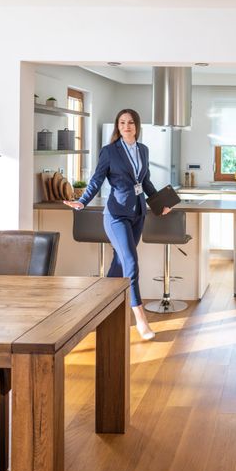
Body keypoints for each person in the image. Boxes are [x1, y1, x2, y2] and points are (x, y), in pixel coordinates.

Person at [64, 109, 171, 341]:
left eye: (131, 122)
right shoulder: (110, 151)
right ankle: (141, 320)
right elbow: (96, 179)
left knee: (119, 265)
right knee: (131, 263)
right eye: (122, 122)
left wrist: (160, 204)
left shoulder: (143, 149)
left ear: (137, 126)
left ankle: (97, 312)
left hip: (138, 214)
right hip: (116, 215)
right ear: (117, 126)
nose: (126, 126)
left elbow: (145, 182)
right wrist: (82, 201)